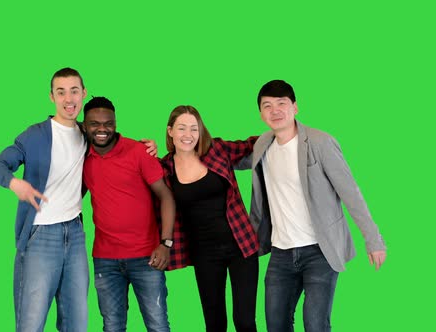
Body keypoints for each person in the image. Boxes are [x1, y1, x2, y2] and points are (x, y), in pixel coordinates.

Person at [249, 80, 387, 332]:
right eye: (267, 106)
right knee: (275, 324)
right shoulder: (262, 145)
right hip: (281, 252)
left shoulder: (320, 142)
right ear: (261, 113)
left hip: (320, 250)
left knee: (315, 324)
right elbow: (229, 156)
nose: (275, 111)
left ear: (295, 107)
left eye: (282, 104)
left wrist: (373, 239)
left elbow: (351, 193)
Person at [0, 67, 90, 331]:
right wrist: (14, 183)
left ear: (84, 94)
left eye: (74, 91)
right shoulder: (35, 135)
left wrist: (149, 147)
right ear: (52, 97)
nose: (69, 98)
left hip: (76, 235)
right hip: (40, 237)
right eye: (61, 92)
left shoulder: (88, 134)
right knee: (31, 323)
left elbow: (117, 146)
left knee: (77, 323)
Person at [161, 105, 259, 332]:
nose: (188, 135)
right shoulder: (164, 168)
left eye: (194, 129)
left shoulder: (217, 149)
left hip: (240, 246)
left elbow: (251, 144)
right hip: (204, 253)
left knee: (244, 322)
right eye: (182, 128)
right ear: (170, 131)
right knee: (215, 325)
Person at [82, 96, 176, 332]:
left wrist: (165, 243)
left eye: (108, 123)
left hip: (146, 257)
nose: (102, 129)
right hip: (105, 259)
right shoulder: (82, 159)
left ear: (115, 123)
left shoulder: (138, 152)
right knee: (112, 326)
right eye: (94, 123)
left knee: (157, 324)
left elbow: (166, 196)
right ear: (84, 126)